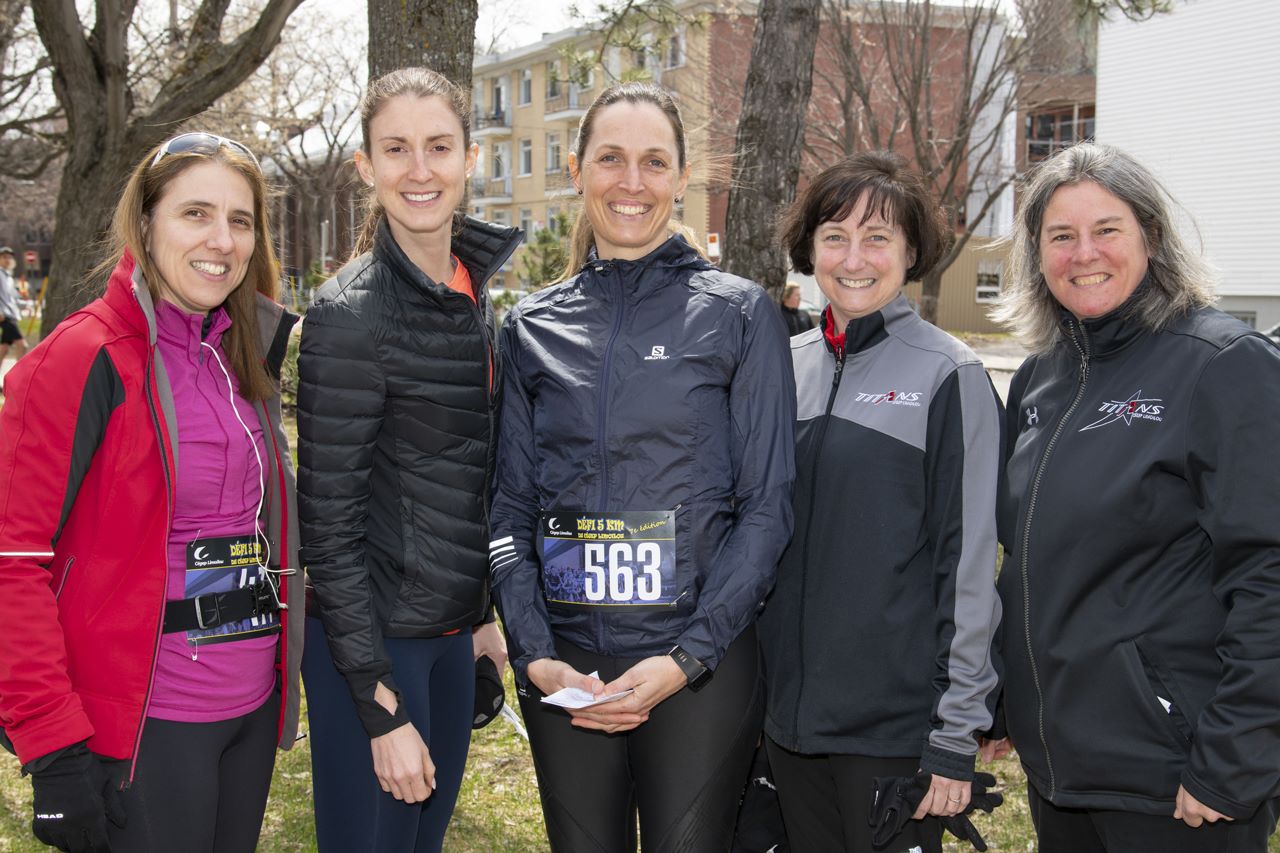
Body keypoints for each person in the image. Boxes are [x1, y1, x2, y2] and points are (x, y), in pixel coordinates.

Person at [488, 81, 796, 853]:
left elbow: (766, 509)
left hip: (698, 666)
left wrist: (687, 657)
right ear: (576, 167)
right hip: (569, 672)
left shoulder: (738, 313)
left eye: (654, 162)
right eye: (612, 159)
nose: (632, 182)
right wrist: (537, 659)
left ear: (681, 177)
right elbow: (506, 513)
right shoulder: (528, 326)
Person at [0, 131, 303, 853]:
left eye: (240, 219)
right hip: (145, 724)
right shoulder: (79, 357)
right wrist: (52, 748)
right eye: (195, 213)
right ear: (144, 223)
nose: (221, 239)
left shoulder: (243, 355)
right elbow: (11, 562)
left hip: (251, 710)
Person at [986, 142, 1280, 852]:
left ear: (1149, 234)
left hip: (1178, 779)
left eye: (1107, 229)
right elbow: (1028, 557)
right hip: (1063, 774)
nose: (1084, 253)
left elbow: (1268, 574)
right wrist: (1000, 695)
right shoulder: (1038, 381)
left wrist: (1233, 761)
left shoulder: (1221, 364)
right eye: (1061, 235)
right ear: (1038, 253)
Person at [296, 66, 520, 853]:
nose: (419, 170)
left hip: (452, 640)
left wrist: (484, 619)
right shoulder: (347, 316)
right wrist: (379, 706)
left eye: (437, 146)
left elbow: (464, 477)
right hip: (373, 649)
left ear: (470, 157)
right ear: (366, 166)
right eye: (396, 149)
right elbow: (326, 527)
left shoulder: (472, 292)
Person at [755, 151, 1003, 852]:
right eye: (835, 236)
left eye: (878, 237)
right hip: (788, 725)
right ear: (810, 251)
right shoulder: (783, 367)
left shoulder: (949, 374)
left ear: (911, 250)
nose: (854, 257)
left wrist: (956, 731)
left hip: (893, 730)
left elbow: (969, 564)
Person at [0, 246, 27, 365]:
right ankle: (19, 379)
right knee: (23, 345)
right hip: (5, 315)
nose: (8, 260)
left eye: (10, 257)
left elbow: (13, 299)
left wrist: (25, 303)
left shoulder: (9, 277)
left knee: (4, 348)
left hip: (11, 315)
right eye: (4, 257)